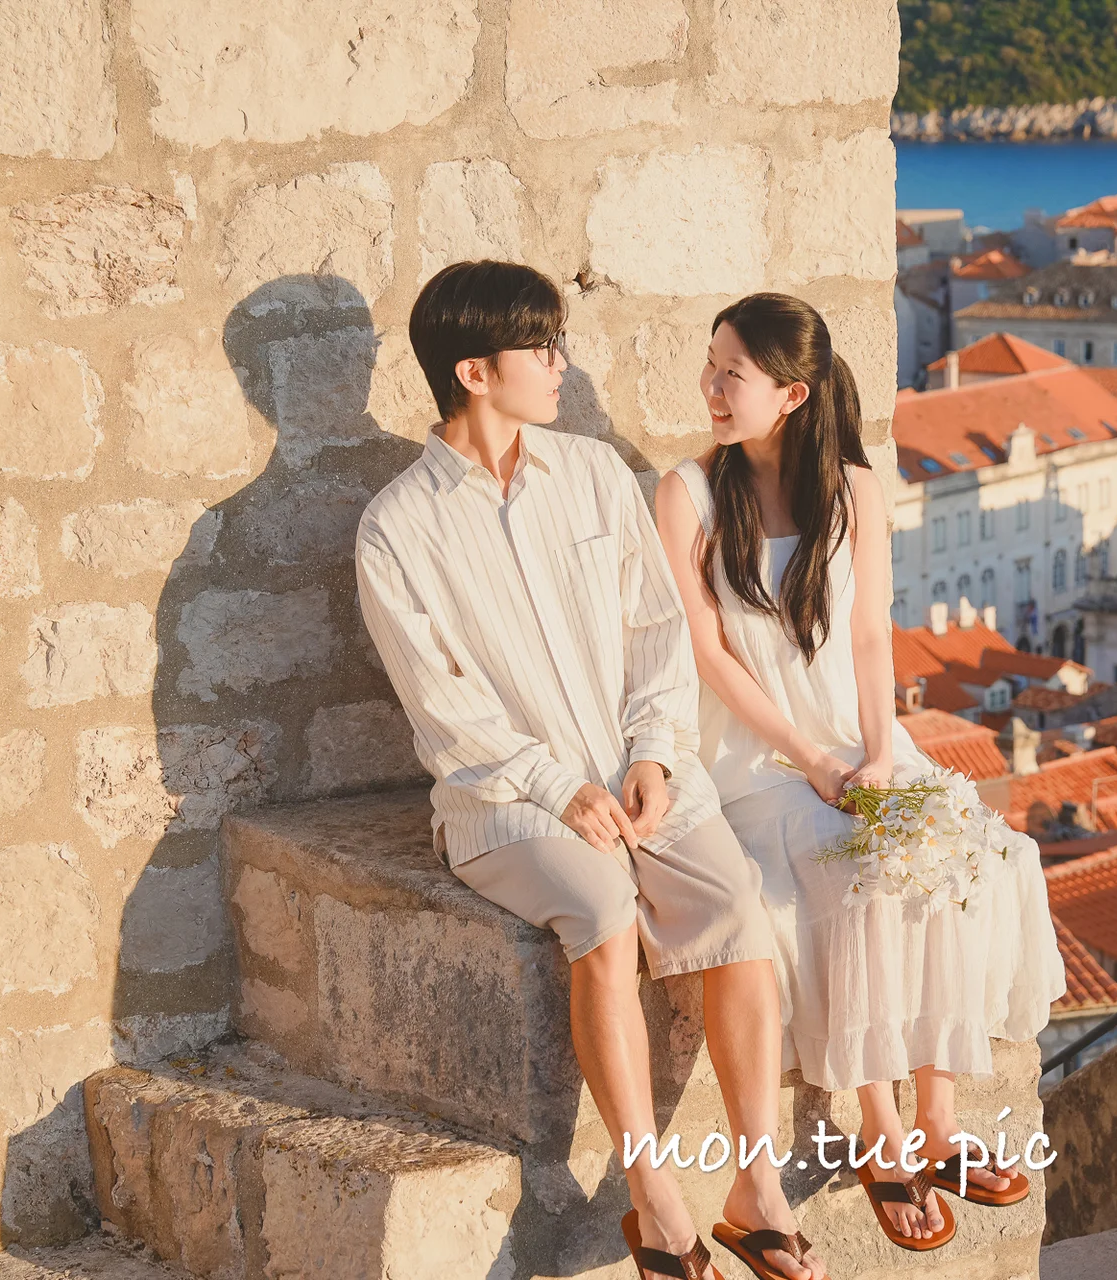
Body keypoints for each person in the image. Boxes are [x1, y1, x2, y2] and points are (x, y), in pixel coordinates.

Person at [355, 262, 825, 1280]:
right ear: (475, 372)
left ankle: (756, 1189)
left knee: (736, 908)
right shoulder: (397, 527)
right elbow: (444, 710)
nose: (561, 363)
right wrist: (557, 787)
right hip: (505, 802)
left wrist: (652, 752)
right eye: (541, 347)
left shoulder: (596, 473)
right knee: (605, 913)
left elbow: (657, 631)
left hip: (640, 772)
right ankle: (654, 1196)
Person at [652, 293, 1065, 1253]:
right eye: (711, 365)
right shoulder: (688, 495)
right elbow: (712, 658)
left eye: (732, 373)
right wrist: (813, 761)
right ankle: (882, 1132)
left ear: (792, 393)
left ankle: (939, 1123)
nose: (711, 387)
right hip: (756, 756)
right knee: (854, 870)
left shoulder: (853, 490)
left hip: (859, 734)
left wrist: (880, 751)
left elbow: (873, 637)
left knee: (959, 851)